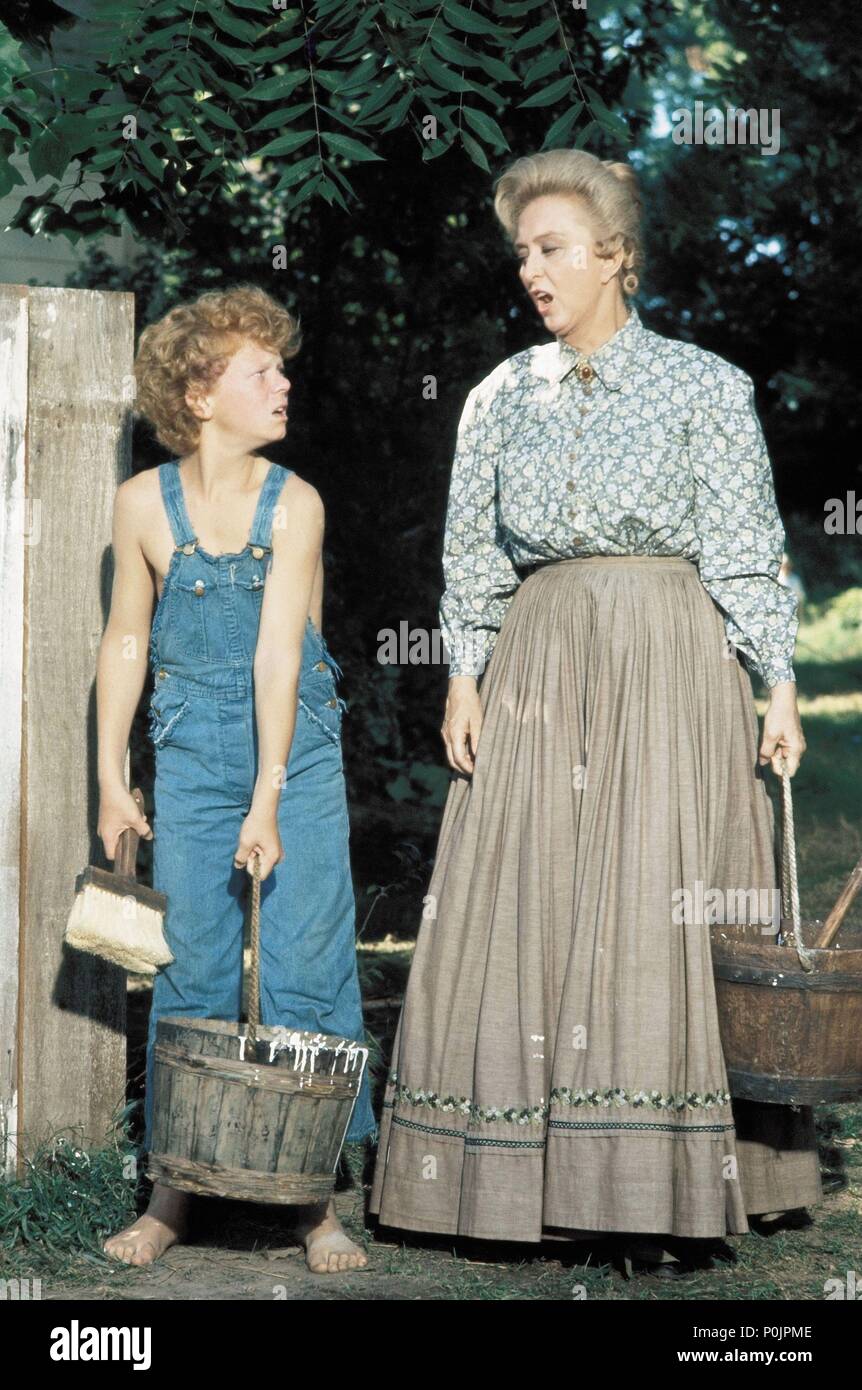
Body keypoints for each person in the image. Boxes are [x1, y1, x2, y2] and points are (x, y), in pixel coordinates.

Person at [369, 150, 822, 1277]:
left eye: (554, 247)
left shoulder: (705, 386)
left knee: (652, 895)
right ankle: (517, 1181)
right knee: (529, 892)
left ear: (617, 256)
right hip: (536, 661)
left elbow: (746, 548)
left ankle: (659, 1189)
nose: (532, 269)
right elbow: (469, 554)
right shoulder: (495, 397)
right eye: (522, 250)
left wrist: (777, 682)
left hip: (669, 658)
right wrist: (462, 673)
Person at [97, 285, 376, 1273]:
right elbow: (126, 639)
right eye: (263, 369)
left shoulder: (294, 503)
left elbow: (277, 660)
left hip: (289, 749)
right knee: (194, 970)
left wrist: (266, 799)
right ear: (200, 393)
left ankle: (314, 1205)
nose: (284, 381)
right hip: (188, 752)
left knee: (305, 963)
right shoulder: (142, 504)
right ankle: (173, 1194)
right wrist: (109, 775)